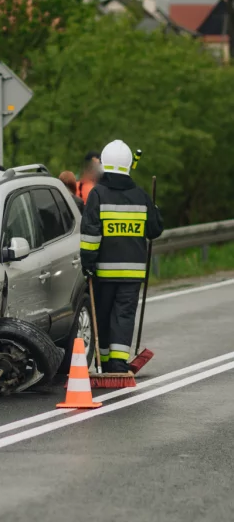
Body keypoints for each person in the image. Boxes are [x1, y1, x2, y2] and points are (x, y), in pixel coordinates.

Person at [80, 140, 163, 373]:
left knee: (104, 315)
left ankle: (105, 361)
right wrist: (154, 209)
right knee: (123, 316)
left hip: (104, 272)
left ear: (104, 165)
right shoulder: (141, 196)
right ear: (128, 165)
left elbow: (90, 233)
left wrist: (87, 263)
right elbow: (155, 230)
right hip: (132, 272)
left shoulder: (97, 194)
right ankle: (118, 362)